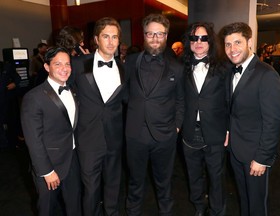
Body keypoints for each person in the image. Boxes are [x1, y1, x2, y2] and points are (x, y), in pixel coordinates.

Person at [220, 22, 280, 216]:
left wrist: (262, 158)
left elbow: (273, 121)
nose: (232, 49)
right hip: (237, 150)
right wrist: (229, 131)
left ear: (250, 42)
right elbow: (234, 109)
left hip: (256, 155)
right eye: (228, 44)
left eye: (237, 42)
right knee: (244, 199)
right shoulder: (232, 71)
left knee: (256, 205)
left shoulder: (266, 74)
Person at [124, 13, 184, 216]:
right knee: (135, 181)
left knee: (164, 182)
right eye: (151, 34)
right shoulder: (130, 62)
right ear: (144, 35)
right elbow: (123, 93)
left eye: (160, 34)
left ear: (166, 36)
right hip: (135, 134)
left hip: (164, 135)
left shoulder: (177, 67)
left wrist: (176, 126)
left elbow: (181, 100)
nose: (155, 38)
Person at [70, 17, 127, 216]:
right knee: (90, 189)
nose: (111, 42)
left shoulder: (123, 67)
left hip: (114, 138)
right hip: (87, 138)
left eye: (114, 37)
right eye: (105, 36)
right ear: (96, 39)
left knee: (113, 184)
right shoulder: (77, 65)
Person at [21, 47, 81, 216]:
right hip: (49, 165)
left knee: (74, 206)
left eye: (67, 64)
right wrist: (47, 171)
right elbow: (33, 140)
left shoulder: (73, 90)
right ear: (47, 67)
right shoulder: (34, 97)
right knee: (47, 210)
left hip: (72, 160)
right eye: (58, 64)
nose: (64, 68)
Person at [181, 22, 229, 216]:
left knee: (216, 176)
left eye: (203, 38)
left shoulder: (224, 67)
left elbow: (230, 101)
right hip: (189, 131)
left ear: (211, 41)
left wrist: (229, 129)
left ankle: (217, 211)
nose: (198, 42)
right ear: (189, 42)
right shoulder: (181, 67)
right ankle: (199, 207)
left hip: (216, 131)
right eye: (194, 38)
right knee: (193, 176)